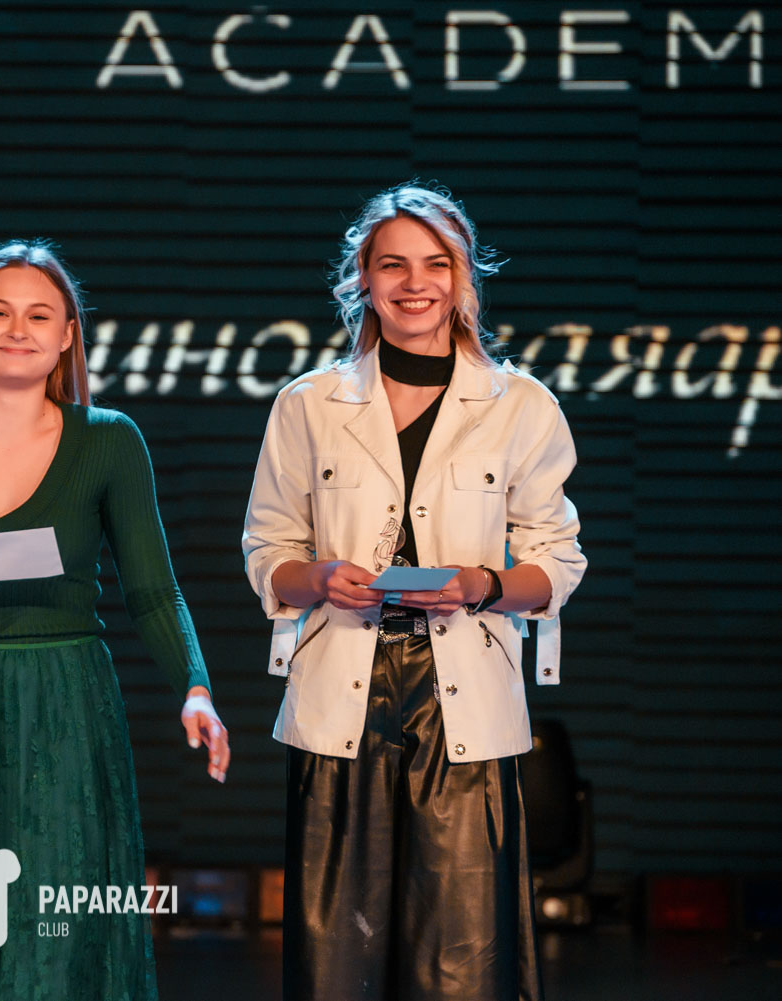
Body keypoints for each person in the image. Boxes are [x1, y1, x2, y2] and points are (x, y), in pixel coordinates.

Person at [242, 183, 586, 1001]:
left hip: (463, 694)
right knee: (338, 959)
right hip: (341, 691)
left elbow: (558, 561)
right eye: (392, 264)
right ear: (363, 277)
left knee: (460, 960)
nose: (414, 282)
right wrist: (320, 578)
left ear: (464, 277)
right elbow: (268, 550)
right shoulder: (308, 404)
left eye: (436, 263)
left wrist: (483, 584)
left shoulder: (521, 406)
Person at [0, 241, 230, 1000]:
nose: (17, 329)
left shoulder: (109, 439)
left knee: (60, 934)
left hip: (68, 706)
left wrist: (195, 686)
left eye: (39, 315)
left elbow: (153, 591)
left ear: (67, 335)